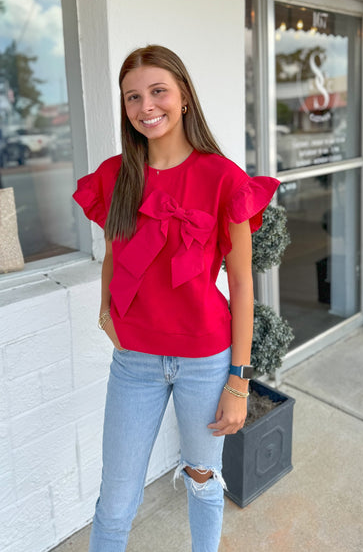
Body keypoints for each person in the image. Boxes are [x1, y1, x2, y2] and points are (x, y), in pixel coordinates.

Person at [73, 45, 279, 551]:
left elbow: (243, 285)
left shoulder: (223, 177)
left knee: (202, 478)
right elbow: (111, 257)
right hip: (134, 362)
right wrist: (105, 310)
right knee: (116, 500)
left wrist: (239, 379)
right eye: (133, 97)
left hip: (206, 361)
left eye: (158, 91)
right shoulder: (114, 175)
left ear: (183, 95)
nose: (147, 106)